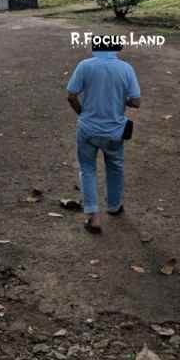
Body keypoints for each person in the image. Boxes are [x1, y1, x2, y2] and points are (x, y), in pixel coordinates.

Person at [66, 35, 141, 234]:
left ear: (94, 48)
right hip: (114, 131)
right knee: (115, 167)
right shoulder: (126, 69)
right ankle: (114, 206)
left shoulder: (84, 66)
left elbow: (71, 95)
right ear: (118, 48)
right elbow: (136, 101)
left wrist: (82, 113)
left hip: (88, 129)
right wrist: (118, 98)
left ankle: (93, 217)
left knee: (87, 169)